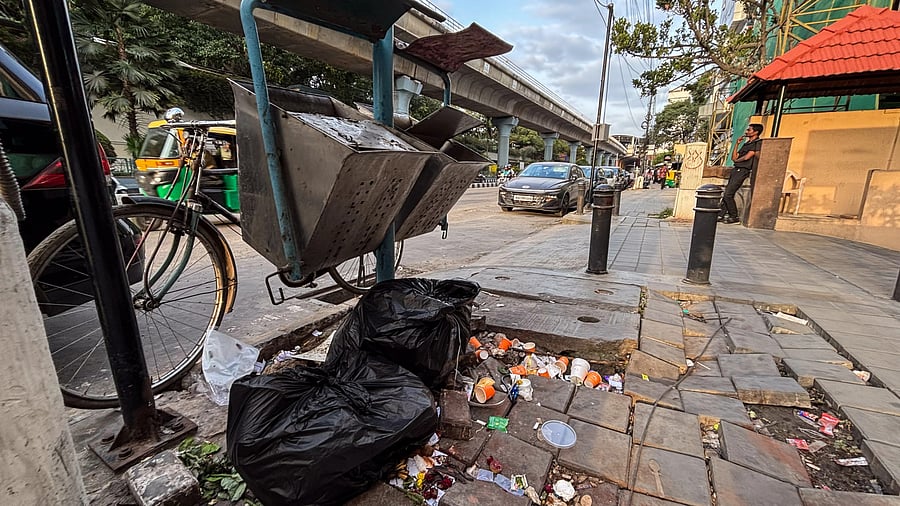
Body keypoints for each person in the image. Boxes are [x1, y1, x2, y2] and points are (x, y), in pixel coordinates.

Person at [719, 123, 763, 223]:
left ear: (756, 132)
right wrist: (737, 144)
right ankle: (720, 214)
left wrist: (737, 161)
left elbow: (748, 156)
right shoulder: (746, 144)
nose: (747, 132)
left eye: (749, 130)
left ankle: (734, 216)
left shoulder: (757, 143)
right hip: (736, 169)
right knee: (728, 192)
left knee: (728, 194)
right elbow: (734, 157)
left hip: (743, 170)